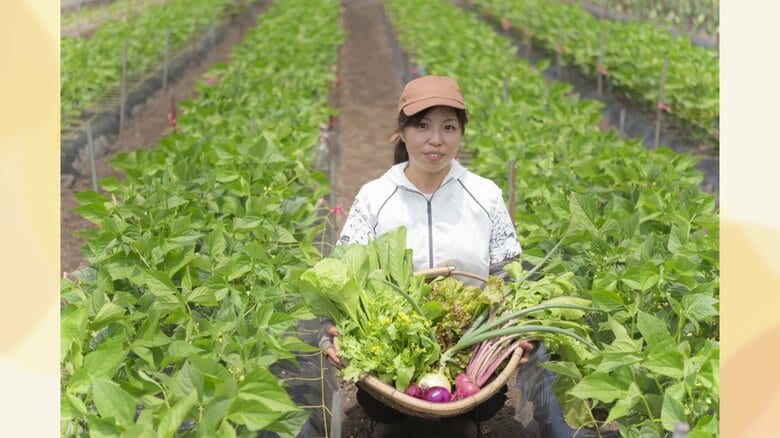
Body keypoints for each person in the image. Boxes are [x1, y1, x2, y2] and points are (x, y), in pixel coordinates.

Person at [319, 75, 579, 437]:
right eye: (423, 126)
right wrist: (330, 333)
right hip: (391, 356)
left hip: (469, 355)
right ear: (403, 131)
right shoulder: (374, 197)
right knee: (379, 404)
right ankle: (391, 416)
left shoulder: (484, 195)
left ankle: (464, 415)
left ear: (461, 134)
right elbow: (342, 274)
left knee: (485, 402)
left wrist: (519, 335)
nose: (436, 140)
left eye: (448, 127)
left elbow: (508, 275)